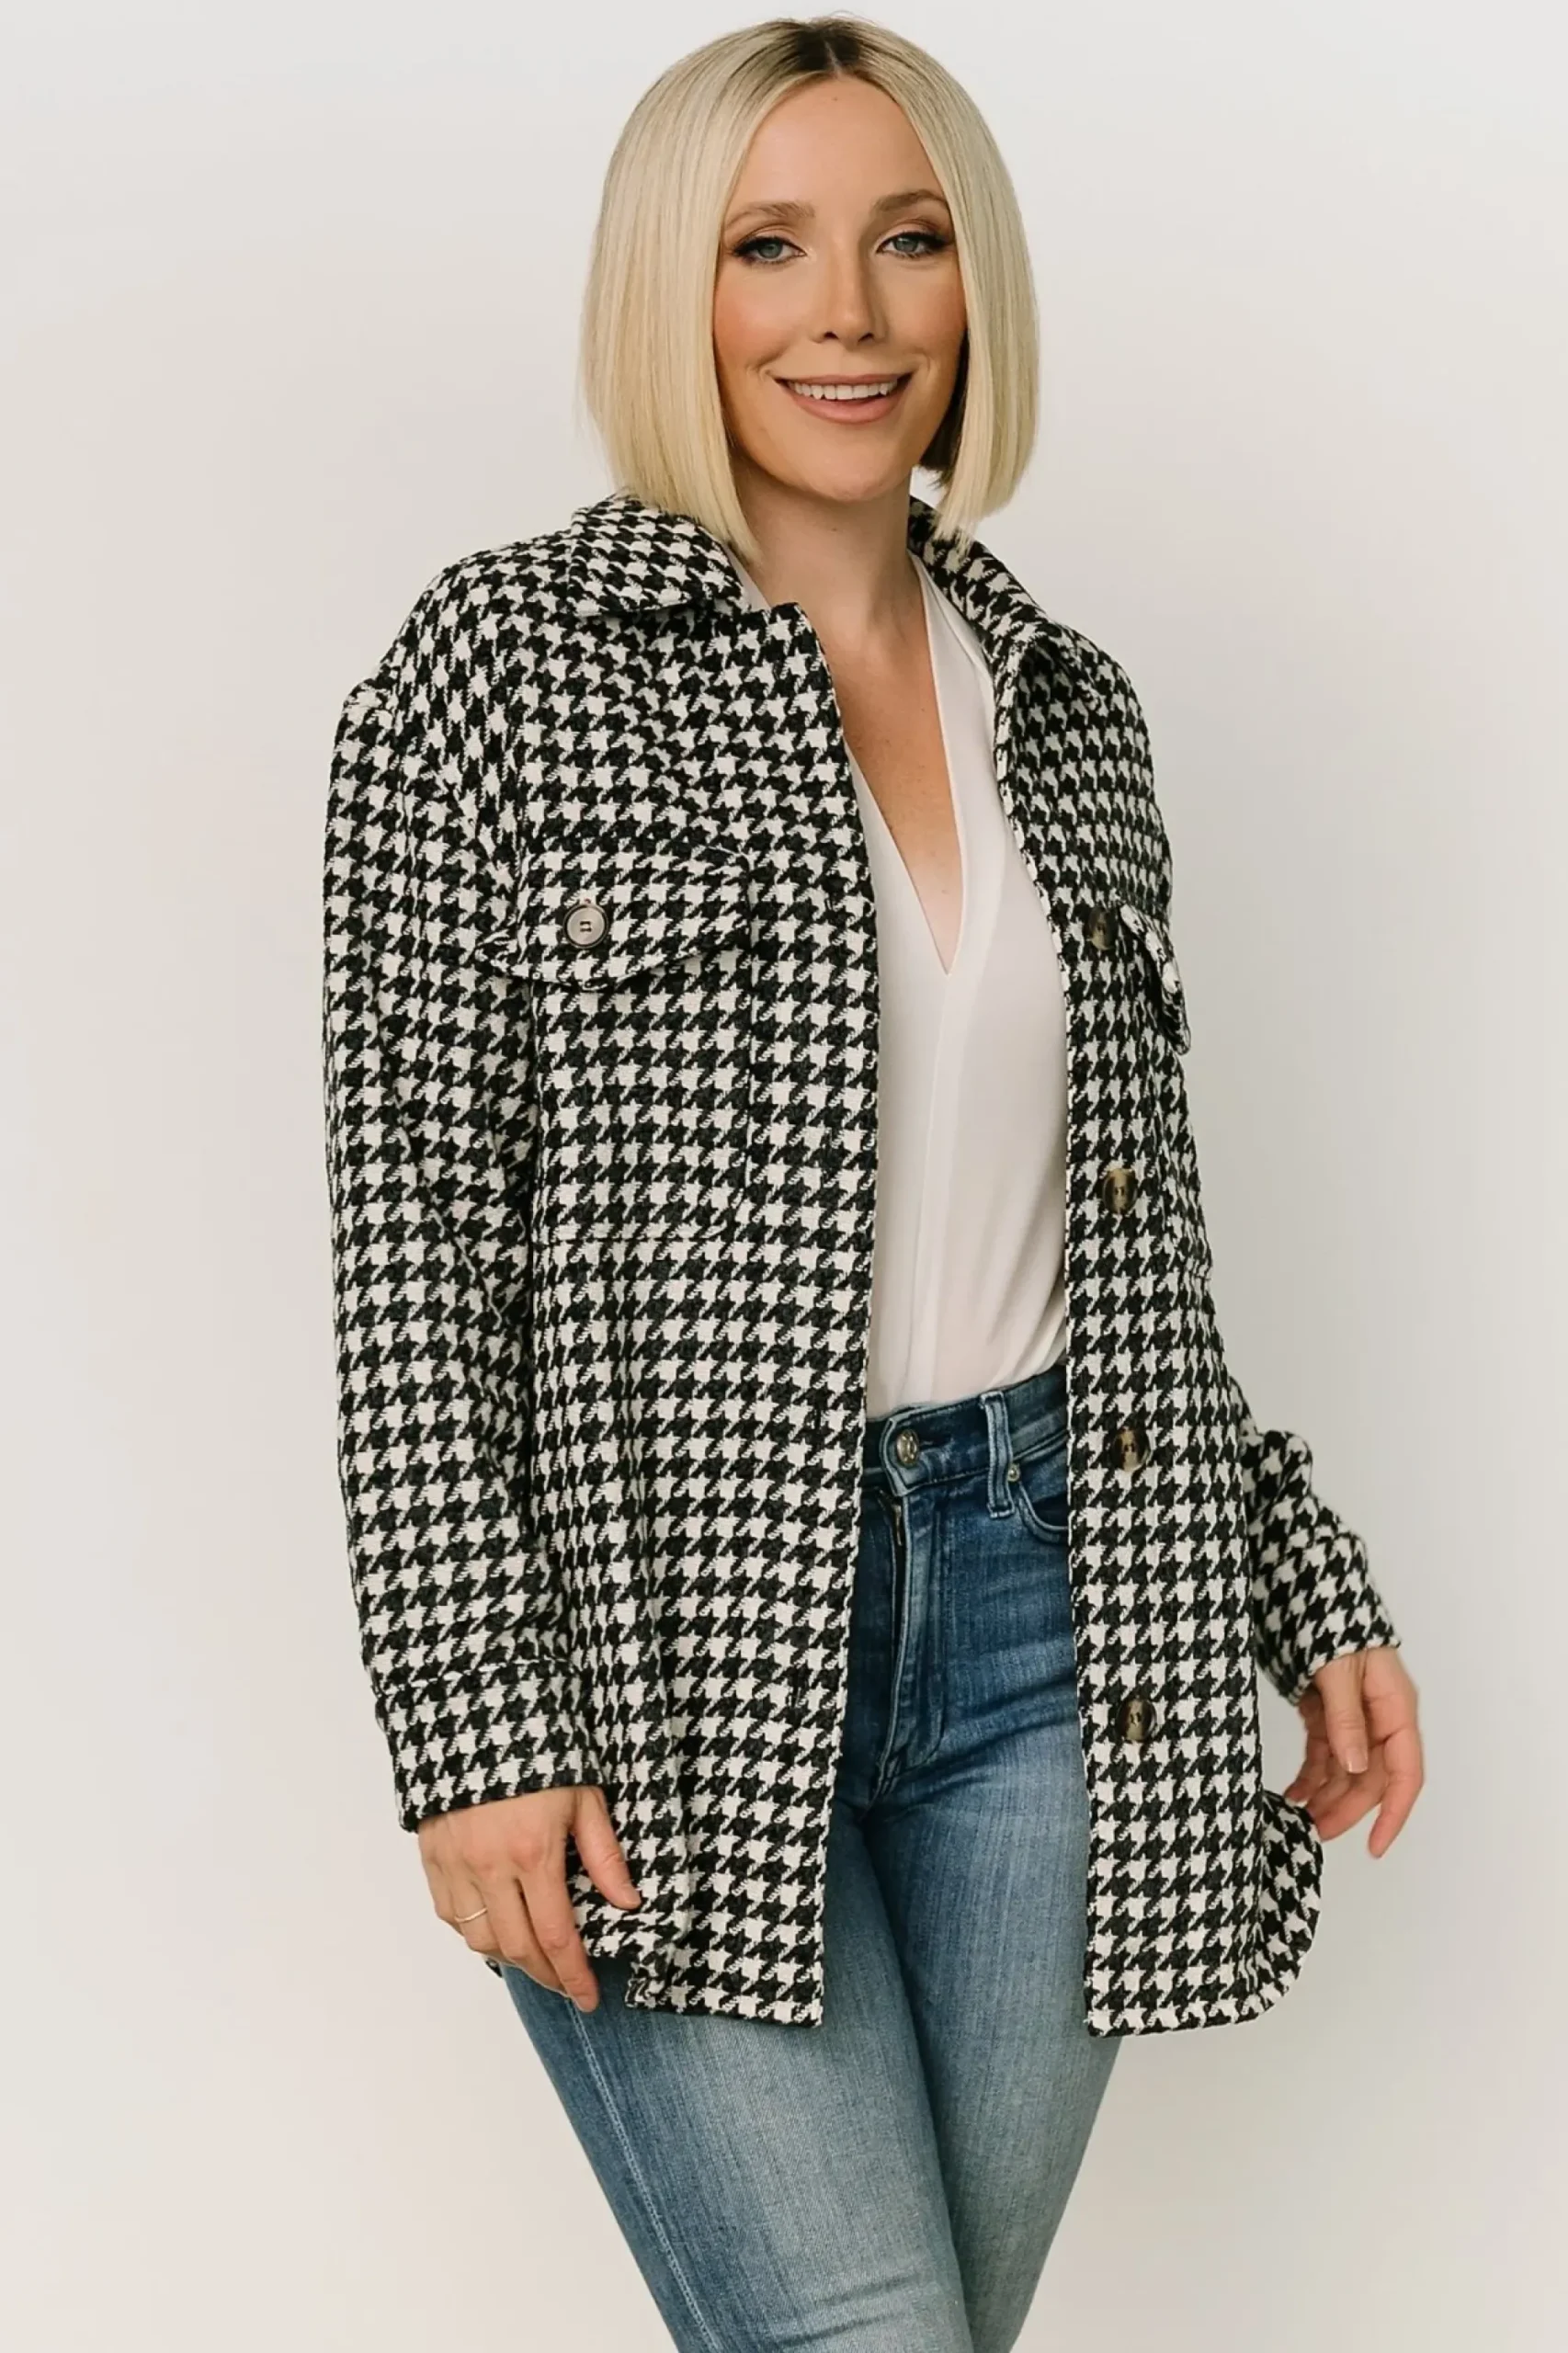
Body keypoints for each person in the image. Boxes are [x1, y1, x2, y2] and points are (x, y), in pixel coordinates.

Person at [321, 17, 1425, 2350]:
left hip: (1054, 1624)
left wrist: (1298, 1579)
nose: (848, 311)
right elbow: (415, 1241)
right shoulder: (495, 669)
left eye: (907, 240)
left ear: (972, 280)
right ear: (672, 285)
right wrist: (471, 1718)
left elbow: (1130, 1241)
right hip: (671, 1645)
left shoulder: (1073, 708)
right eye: (768, 246)